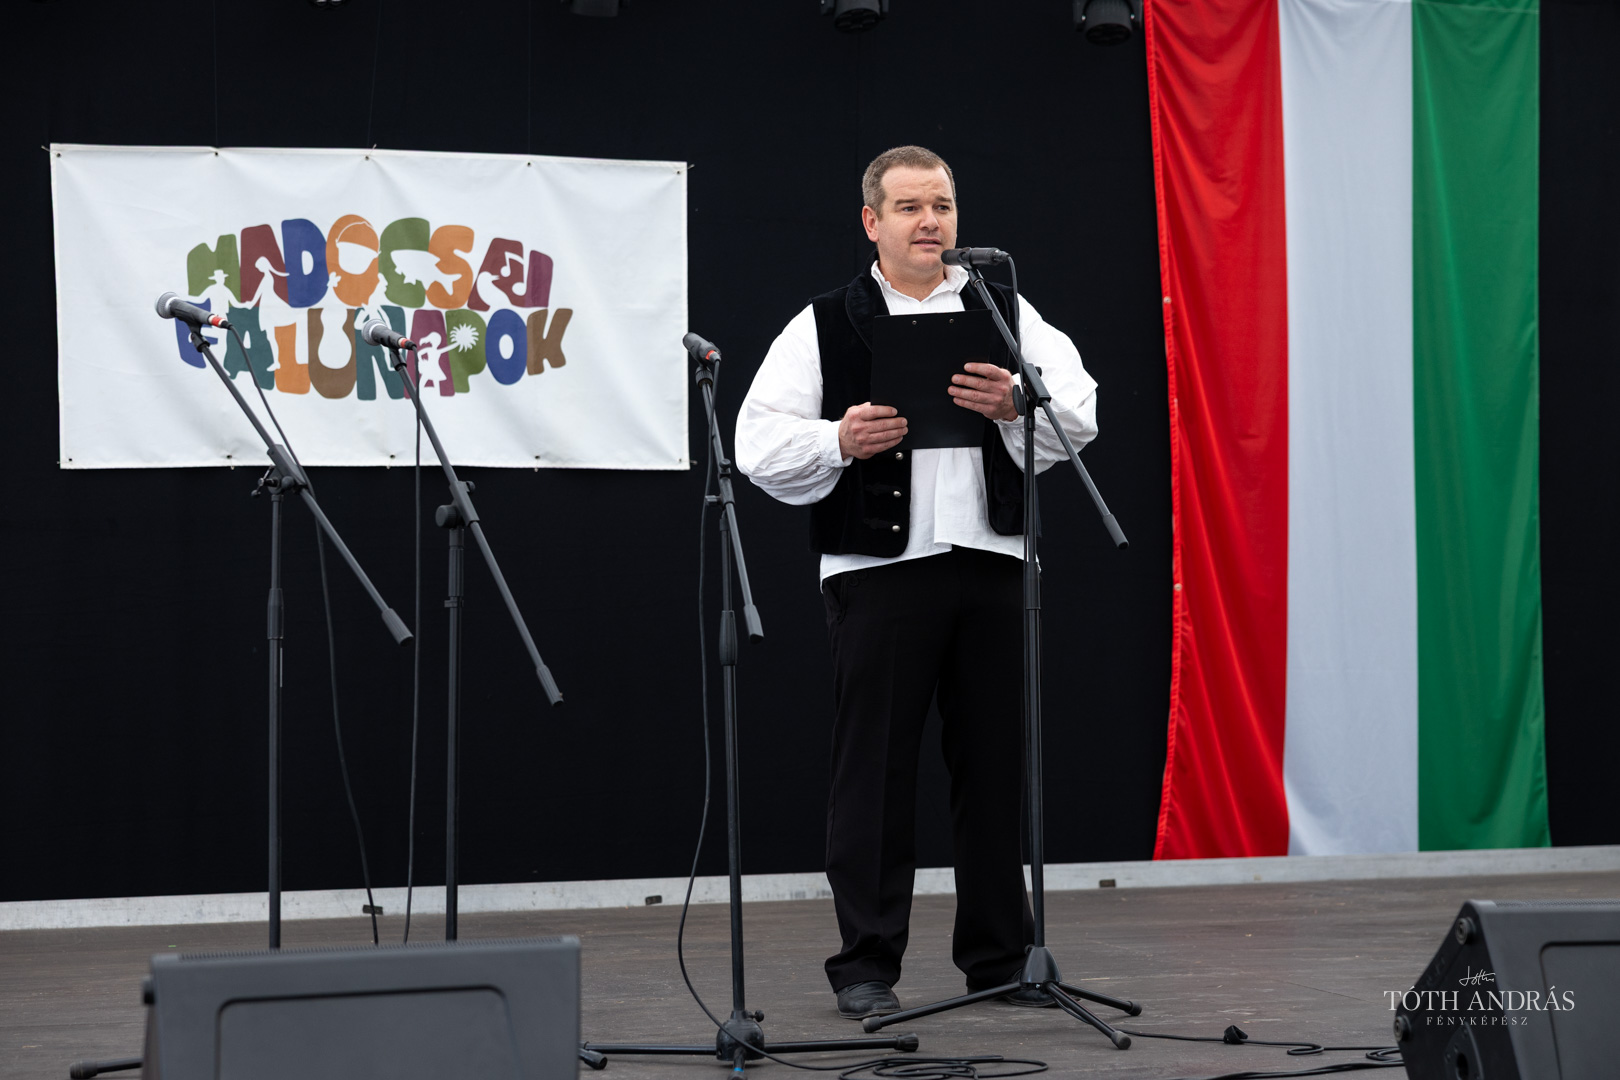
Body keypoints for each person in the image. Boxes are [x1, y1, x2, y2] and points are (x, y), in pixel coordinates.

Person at [734, 145, 1099, 1020]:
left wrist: (1017, 404)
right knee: (875, 774)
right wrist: (836, 439)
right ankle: (866, 965)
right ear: (872, 222)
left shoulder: (1003, 309)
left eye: (942, 205)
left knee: (995, 771)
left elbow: (1081, 409)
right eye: (909, 207)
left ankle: (1001, 958)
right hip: (880, 574)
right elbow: (756, 441)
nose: (930, 221)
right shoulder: (826, 321)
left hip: (993, 564)